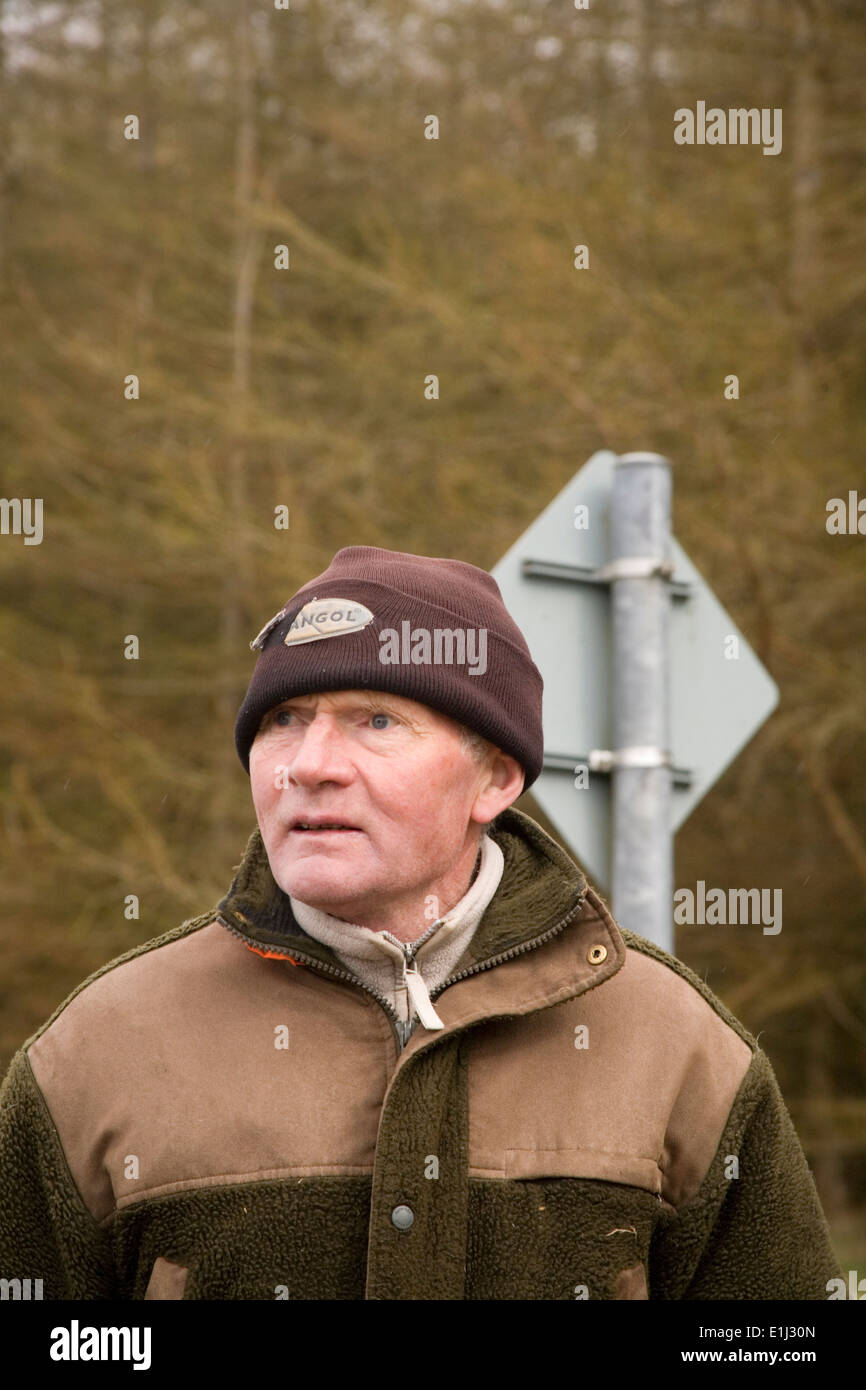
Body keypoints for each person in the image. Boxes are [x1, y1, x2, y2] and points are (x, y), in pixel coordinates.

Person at [0, 545, 841, 1300]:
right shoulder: (93, 1056)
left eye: (376, 720)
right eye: (282, 720)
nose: (310, 766)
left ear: (495, 780)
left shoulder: (679, 1051)